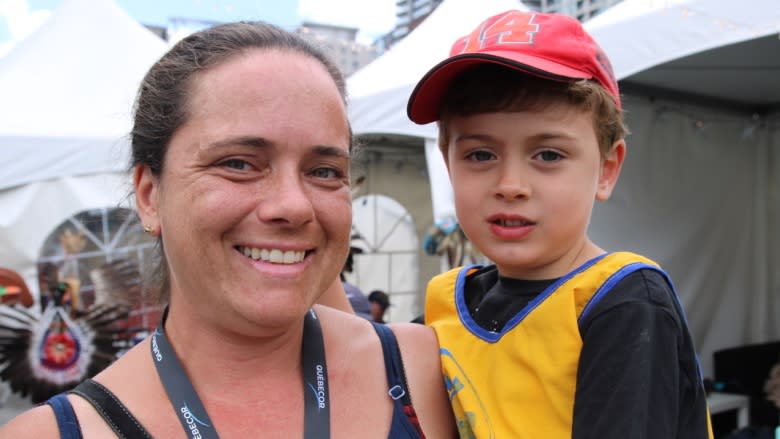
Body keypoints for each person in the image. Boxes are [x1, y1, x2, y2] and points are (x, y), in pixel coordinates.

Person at [0, 21, 456, 438]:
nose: (294, 206)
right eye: (238, 164)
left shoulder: (428, 369)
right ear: (148, 195)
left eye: (323, 171)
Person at [406, 10, 713, 439]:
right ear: (449, 166)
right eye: (480, 155)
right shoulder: (447, 303)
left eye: (548, 155)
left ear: (606, 169)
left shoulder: (620, 301)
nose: (510, 186)